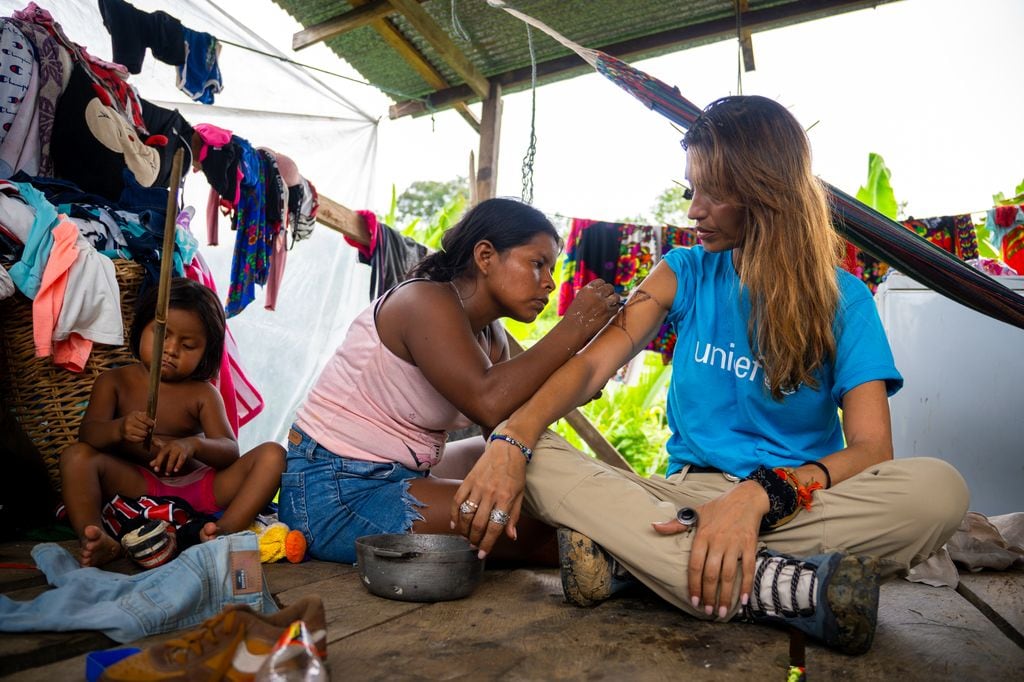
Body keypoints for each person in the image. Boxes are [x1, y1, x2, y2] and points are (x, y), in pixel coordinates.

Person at [453, 96, 969, 655]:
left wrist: (758, 496)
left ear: (766, 192)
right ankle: (780, 586)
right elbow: (588, 369)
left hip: (795, 502)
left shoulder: (845, 300)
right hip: (681, 498)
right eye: (689, 190)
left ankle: (641, 564)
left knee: (941, 491)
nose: (694, 210)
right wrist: (511, 438)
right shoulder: (681, 271)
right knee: (529, 451)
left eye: (714, 193)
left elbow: (871, 451)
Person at [279, 197, 620, 565]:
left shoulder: (492, 336)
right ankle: (626, 552)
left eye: (550, 269)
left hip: (403, 474)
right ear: (486, 256)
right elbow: (487, 398)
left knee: (520, 457)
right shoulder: (423, 299)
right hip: (335, 492)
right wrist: (576, 326)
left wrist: (568, 388)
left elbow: (504, 424)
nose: (550, 283)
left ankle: (617, 507)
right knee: (535, 531)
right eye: (538, 264)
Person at [60, 278, 285, 566]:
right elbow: (88, 434)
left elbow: (230, 450)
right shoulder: (113, 382)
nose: (171, 349)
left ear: (206, 353)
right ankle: (95, 537)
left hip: (201, 487)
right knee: (75, 457)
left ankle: (224, 532)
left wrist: (194, 445)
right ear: (141, 326)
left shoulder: (203, 393)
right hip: (138, 483)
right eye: (162, 334)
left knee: (273, 454)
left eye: (188, 345)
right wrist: (119, 429)